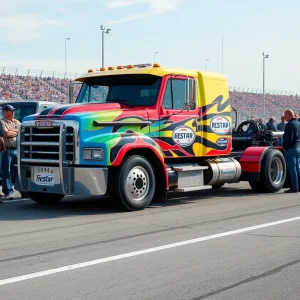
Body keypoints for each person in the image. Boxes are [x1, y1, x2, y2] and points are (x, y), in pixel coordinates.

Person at [0, 105, 20, 199]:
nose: (13, 113)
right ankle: (8, 191)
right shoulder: (2, 121)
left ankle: (22, 190)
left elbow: (22, 130)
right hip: (7, 149)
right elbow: (5, 133)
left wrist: (13, 131)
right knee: (6, 171)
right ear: (5, 112)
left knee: (19, 170)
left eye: (13, 111)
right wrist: (16, 132)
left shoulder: (16, 121)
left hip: (17, 149)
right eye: (11, 111)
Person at [283, 109, 300, 193]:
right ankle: (298, 186)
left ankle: (294, 187)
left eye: (285, 115)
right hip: (298, 147)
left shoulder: (290, 124)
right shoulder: (298, 123)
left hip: (291, 149)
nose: (284, 117)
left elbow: (288, 138)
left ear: (289, 115)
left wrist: (285, 147)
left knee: (292, 169)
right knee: (297, 168)